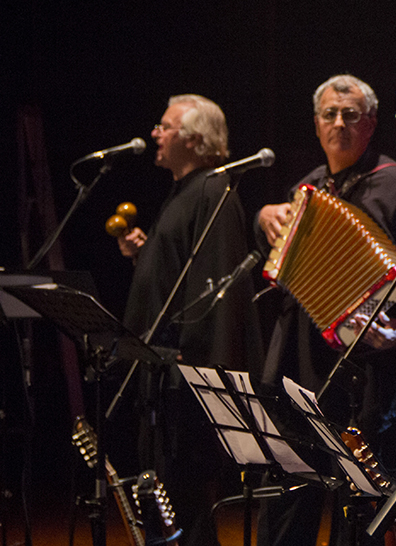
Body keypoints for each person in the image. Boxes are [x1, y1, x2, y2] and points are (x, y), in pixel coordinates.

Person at [256, 74, 396, 545]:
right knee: (286, 509)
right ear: (317, 125)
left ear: (371, 124)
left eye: (351, 115)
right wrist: (263, 218)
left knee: (357, 521)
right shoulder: (307, 187)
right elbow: (275, 262)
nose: (339, 123)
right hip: (301, 370)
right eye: (330, 115)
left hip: (367, 378)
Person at [118, 94, 262, 546]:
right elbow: (183, 278)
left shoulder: (213, 191)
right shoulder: (185, 191)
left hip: (184, 381)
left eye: (166, 126)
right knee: (163, 503)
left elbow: (220, 292)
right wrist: (146, 257)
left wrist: (207, 379)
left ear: (196, 140)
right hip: (162, 375)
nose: (155, 133)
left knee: (186, 505)